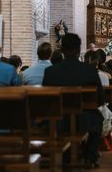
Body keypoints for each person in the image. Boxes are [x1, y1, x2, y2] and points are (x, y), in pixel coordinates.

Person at [43, 33, 104, 167]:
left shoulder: (50, 71)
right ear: (78, 50)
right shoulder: (90, 70)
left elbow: (46, 99)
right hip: (84, 119)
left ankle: (63, 154)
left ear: (62, 50)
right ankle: (90, 156)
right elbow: (100, 99)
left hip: (57, 121)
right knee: (98, 118)